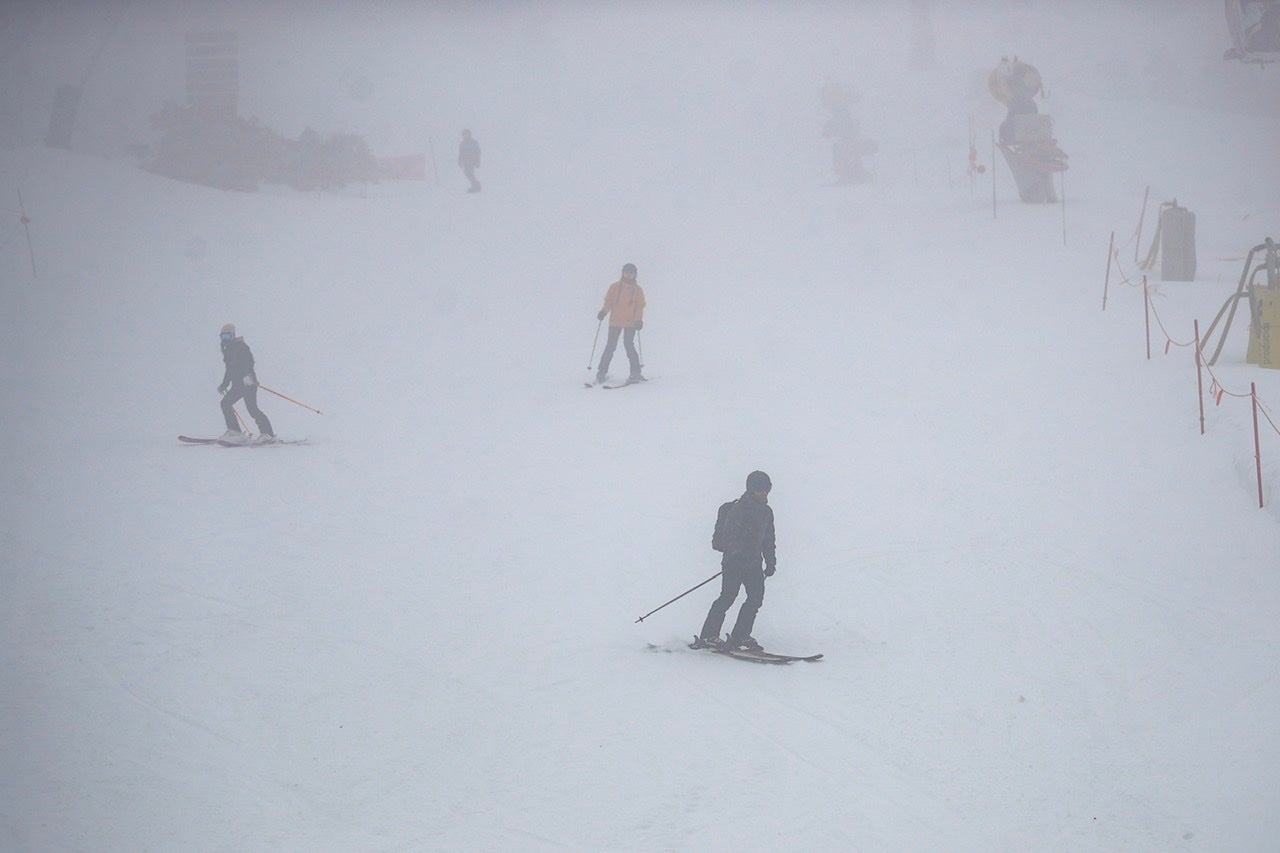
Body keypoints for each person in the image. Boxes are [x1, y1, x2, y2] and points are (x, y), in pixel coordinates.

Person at [694, 470, 777, 651]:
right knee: (728, 597)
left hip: (754, 563)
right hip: (734, 562)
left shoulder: (766, 512)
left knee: (755, 598)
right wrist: (738, 552)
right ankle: (709, 635)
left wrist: (771, 562)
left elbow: (769, 540)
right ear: (751, 489)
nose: (763, 493)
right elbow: (723, 541)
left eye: (766, 489)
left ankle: (741, 636)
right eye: (759, 490)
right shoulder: (736, 509)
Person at [216, 323, 274, 444]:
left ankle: (267, 434)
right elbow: (229, 370)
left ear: (233, 336)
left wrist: (249, 376)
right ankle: (235, 432)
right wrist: (224, 384)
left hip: (248, 384)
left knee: (252, 409)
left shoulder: (241, 347)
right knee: (225, 403)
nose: (225, 339)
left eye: (227, 336)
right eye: (222, 336)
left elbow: (249, 362)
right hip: (237, 386)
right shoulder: (227, 351)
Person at [594, 262, 646, 384]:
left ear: (635, 275)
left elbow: (639, 307)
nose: (629, 275)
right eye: (627, 272)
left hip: (631, 323)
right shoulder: (614, 287)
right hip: (615, 322)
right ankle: (602, 372)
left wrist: (639, 320)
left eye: (631, 273)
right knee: (610, 347)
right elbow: (608, 302)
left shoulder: (638, 291)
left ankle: (635, 372)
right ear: (622, 273)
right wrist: (603, 312)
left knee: (629, 346)